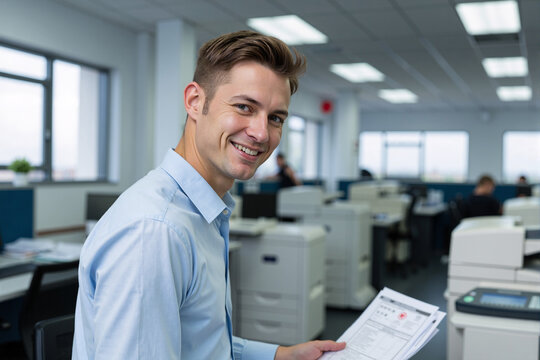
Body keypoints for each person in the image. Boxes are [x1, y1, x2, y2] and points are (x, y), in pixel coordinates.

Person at [72, 30, 345, 359]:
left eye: (275, 118)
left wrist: (278, 356)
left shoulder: (204, 213)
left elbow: (199, 342)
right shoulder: (156, 231)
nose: (261, 133)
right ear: (195, 101)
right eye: (244, 107)